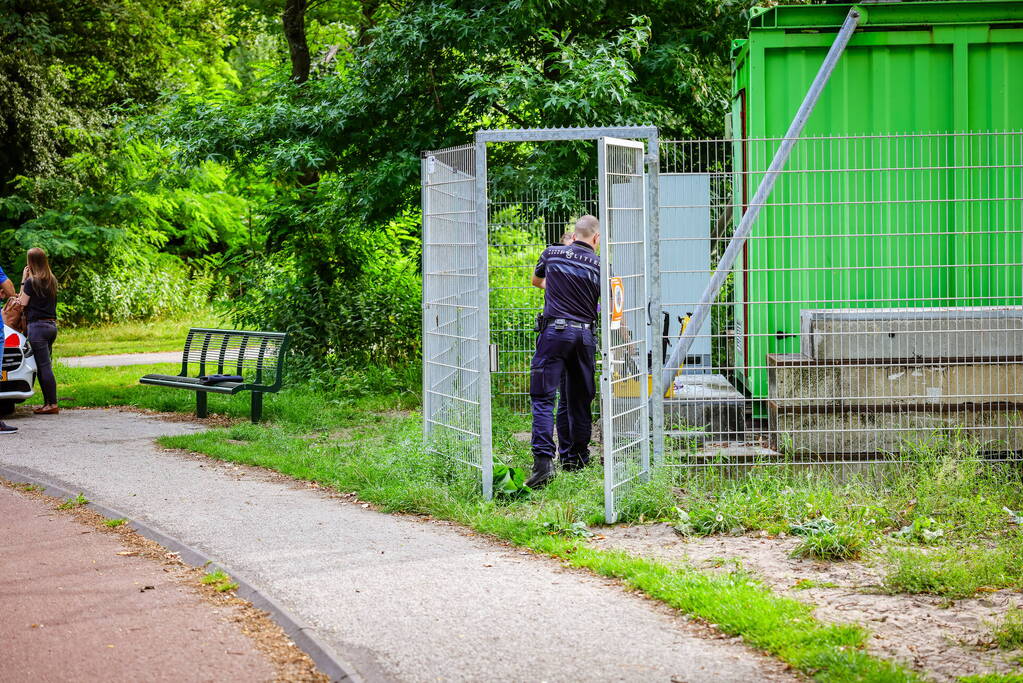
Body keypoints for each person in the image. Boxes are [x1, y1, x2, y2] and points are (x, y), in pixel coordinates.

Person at [527, 215, 601, 488]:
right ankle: (576, 460)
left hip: (554, 334)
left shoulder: (551, 254)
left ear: (574, 234)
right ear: (596, 238)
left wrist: (559, 286)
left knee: (543, 398)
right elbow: (610, 302)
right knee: (580, 400)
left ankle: (543, 464)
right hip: (584, 336)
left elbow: (537, 281)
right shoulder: (601, 266)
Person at [17, 248, 59, 415]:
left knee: (44, 367)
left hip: (37, 328)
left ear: (31, 262)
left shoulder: (31, 282)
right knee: (44, 366)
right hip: (51, 326)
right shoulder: (52, 280)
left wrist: (23, 280)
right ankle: (48, 403)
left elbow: (21, 303)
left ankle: (52, 403)